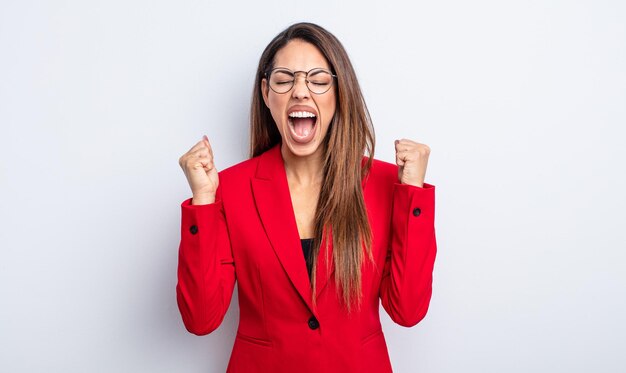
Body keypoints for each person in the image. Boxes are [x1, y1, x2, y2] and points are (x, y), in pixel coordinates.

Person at [176, 22, 436, 373]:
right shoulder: (230, 188)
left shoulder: (388, 184)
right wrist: (204, 201)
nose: (300, 91)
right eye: (285, 79)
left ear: (338, 93)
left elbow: (407, 311)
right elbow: (201, 319)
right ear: (267, 94)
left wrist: (413, 195)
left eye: (317, 79)